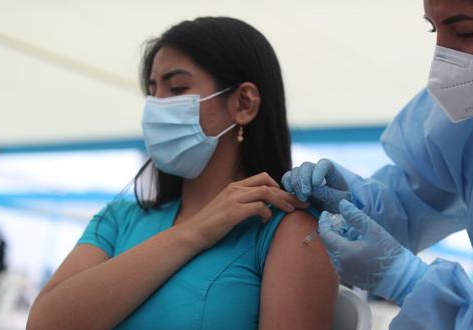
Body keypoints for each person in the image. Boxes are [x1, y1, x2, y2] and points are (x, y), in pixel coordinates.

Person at [27, 17, 338, 330]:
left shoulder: (288, 229)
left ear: (243, 104)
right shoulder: (120, 219)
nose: (156, 106)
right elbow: (44, 324)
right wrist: (197, 230)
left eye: (177, 88)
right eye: (152, 91)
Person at [283, 0, 473, 328]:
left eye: (466, 31)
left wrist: (405, 279)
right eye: (434, 29)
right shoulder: (471, 114)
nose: (443, 57)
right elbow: (413, 199)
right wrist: (352, 204)